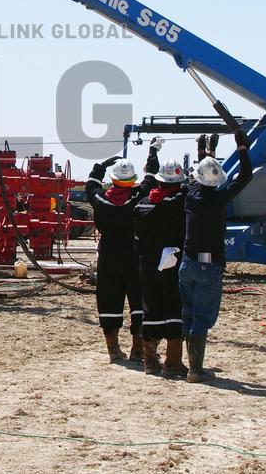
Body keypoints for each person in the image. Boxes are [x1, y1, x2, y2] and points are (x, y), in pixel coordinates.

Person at [180, 131, 253, 382]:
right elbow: (245, 177)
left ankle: (187, 365)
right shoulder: (220, 198)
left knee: (187, 314)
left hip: (187, 264)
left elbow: (201, 177)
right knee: (201, 317)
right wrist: (242, 148)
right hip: (208, 266)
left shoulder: (190, 197)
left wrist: (204, 152)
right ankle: (196, 370)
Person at [86, 138, 163, 362]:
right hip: (133, 254)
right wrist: (152, 151)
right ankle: (137, 349)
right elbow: (151, 177)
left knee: (109, 299)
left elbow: (91, 184)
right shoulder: (138, 198)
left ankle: (113, 349)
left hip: (108, 255)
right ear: (132, 181)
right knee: (138, 300)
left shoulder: (100, 200)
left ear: (113, 180)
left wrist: (102, 165)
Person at [133, 157, 188, 377]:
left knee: (151, 309)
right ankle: (172, 362)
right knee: (174, 309)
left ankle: (150, 361)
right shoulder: (179, 201)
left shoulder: (143, 203)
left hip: (147, 264)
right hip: (171, 263)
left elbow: (137, 236)